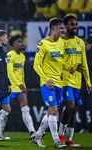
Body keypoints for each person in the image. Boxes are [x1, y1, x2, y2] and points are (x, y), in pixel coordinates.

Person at [33, 18, 73, 148]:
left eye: (64, 28)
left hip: (59, 83)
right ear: (53, 28)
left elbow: (60, 62)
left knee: (51, 112)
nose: (64, 30)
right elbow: (36, 65)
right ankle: (57, 141)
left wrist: (68, 68)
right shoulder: (43, 44)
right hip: (48, 83)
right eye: (61, 28)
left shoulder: (61, 43)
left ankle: (38, 135)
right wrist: (46, 80)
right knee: (54, 109)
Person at [58, 15, 92, 146]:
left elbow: (84, 64)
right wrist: (68, 68)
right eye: (72, 24)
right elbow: (57, 62)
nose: (75, 27)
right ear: (65, 26)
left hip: (77, 82)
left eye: (76, 24)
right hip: (65, 81)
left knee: (74, 110)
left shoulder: (80, 42)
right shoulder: (61, 41)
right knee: (70, 106)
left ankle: (69, 139)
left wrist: (88, 81)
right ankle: (61, 134)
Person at [7, 35, 36, 138]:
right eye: (19, 42)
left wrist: (24, 86)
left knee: (25, 109)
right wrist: (18, 84)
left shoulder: (23, 57)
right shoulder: (10, 55)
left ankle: (32, 132)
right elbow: (10, 72)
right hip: (11, 88)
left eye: (22, 41)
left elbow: (22, 73)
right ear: (14, 44)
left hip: (20, 88)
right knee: (6, 111)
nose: (22, 43)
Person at [79, 38, 92, 133]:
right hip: (81, 87)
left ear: (91, 45)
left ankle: (90, 128)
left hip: (90, 87)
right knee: (81, 110)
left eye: (86, 44)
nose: (85, 46)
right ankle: (85, 127)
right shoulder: (80, 55)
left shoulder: (89, 56)